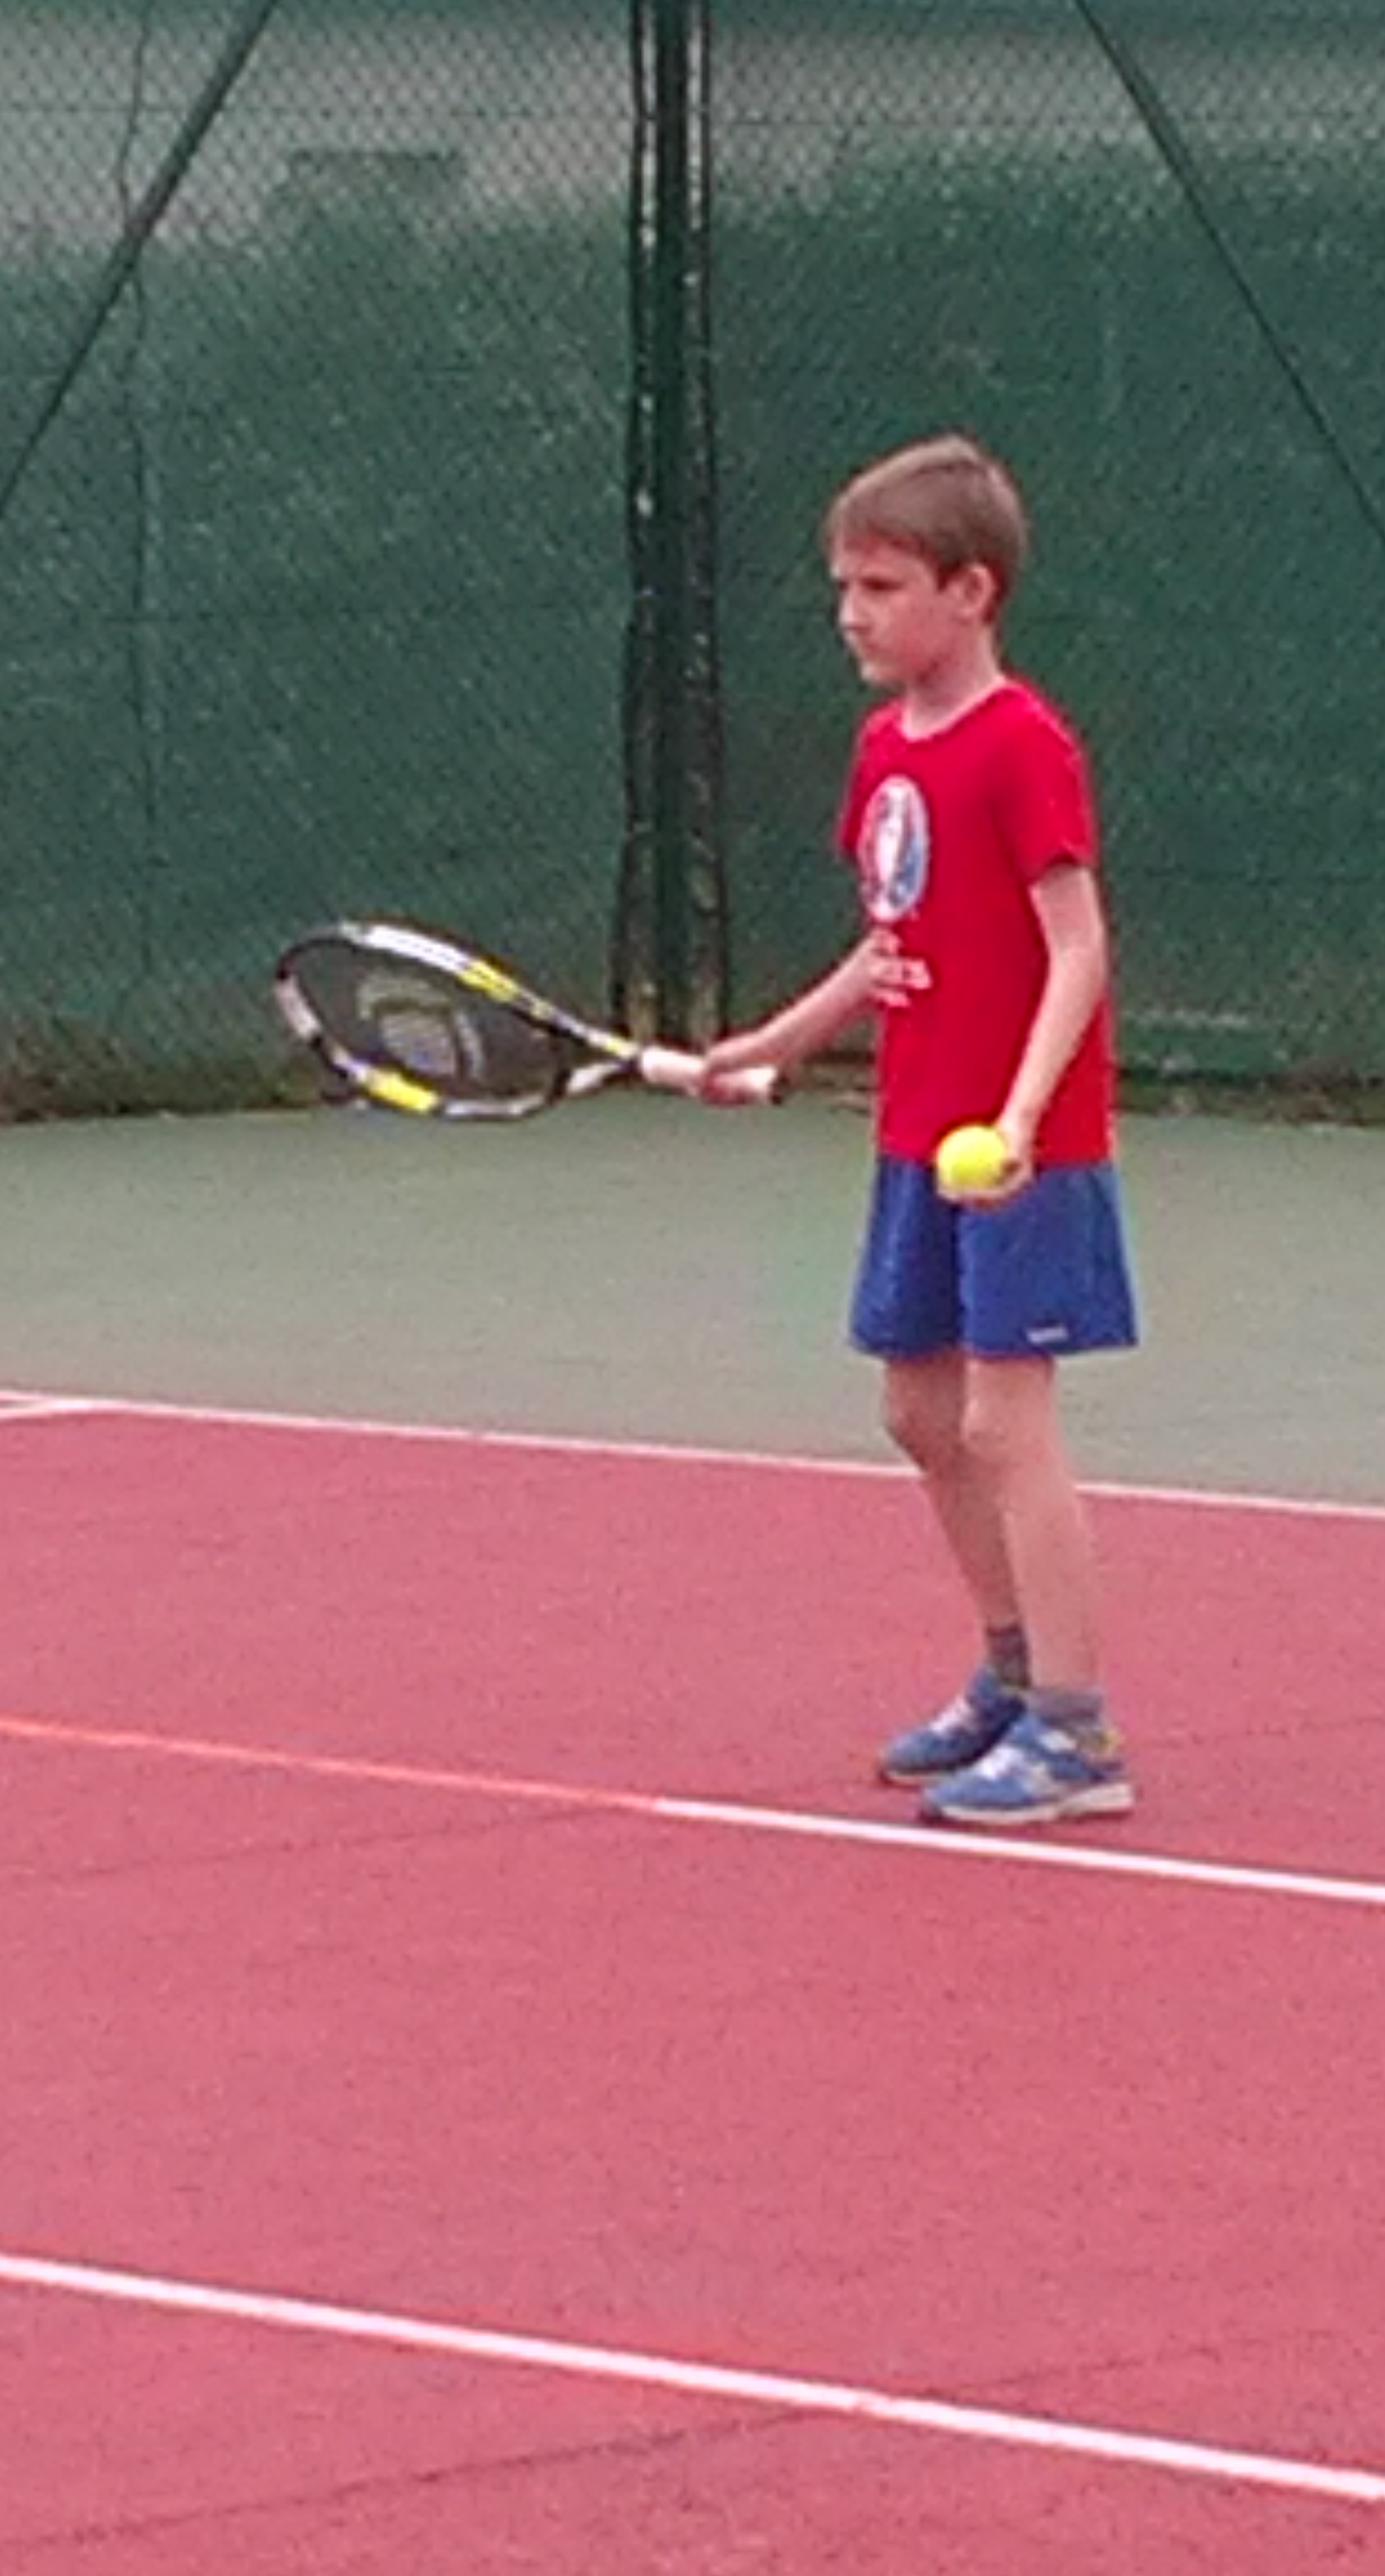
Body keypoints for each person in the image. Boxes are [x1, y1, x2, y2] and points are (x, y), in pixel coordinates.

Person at [699, 432, 1139, 1829]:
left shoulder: (1024, 747)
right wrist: (772, 1043)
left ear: (972, 591)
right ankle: (1011, 1674)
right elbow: (891, 941)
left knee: (1007, 1422)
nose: (852, 612)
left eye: (881, 587)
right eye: (844, 586)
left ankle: (1078, 1732)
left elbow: (1078, 948)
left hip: (1024, 1150)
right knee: (918, 1411)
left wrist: (1020, 1116)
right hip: (915, 1135)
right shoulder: (885, 747)